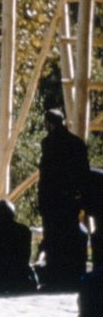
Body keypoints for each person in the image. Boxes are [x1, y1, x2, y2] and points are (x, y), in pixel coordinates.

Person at [39, 108, 90, 291]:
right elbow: (83, 172)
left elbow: (47, 175)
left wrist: (42, 200)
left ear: (48, 123)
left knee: (53, 238)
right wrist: (83, 197)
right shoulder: (77, 143)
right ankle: (72, 275)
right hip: (70, 199)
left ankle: (55, 277)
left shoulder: (49, 143)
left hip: (52, 199)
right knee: (70, 236)